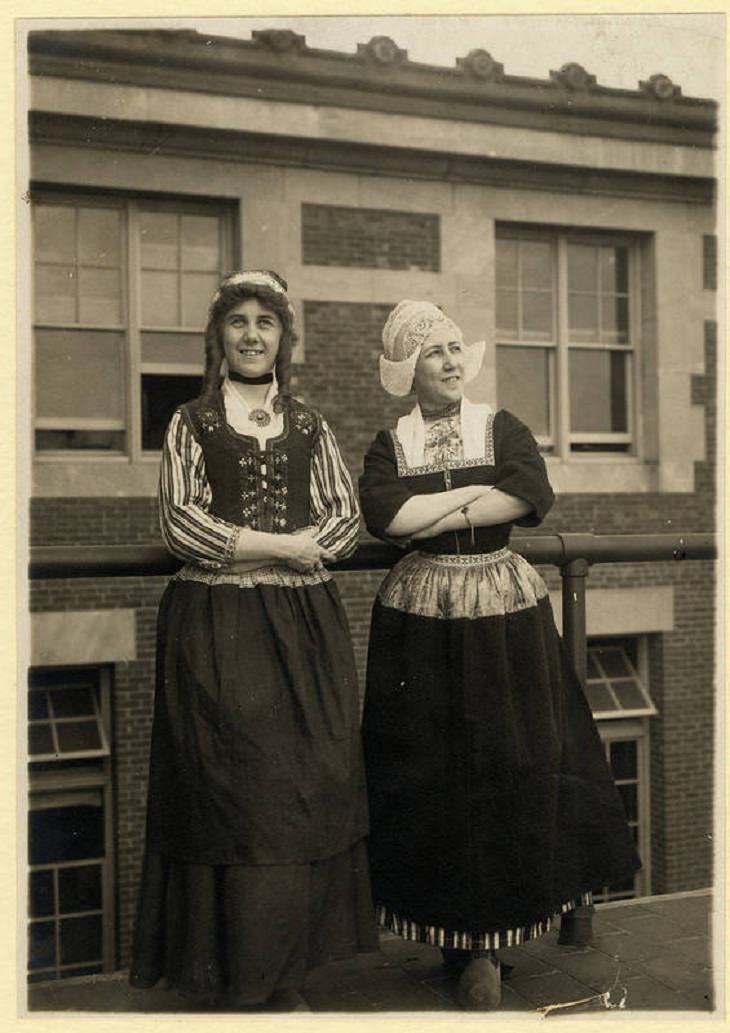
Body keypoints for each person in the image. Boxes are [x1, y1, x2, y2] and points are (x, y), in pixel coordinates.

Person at [358, 300, 641, 1011]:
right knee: (431, 763)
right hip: (421, 612)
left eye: (457, 348)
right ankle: (455, 939)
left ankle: (494, 939)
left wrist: (441, 507)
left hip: (501, 604)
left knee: (510, 755)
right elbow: (387, 516)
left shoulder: (500, 426)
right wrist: (477, 495)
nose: (452, 362)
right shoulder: (390, 442)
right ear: (408, 371)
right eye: (434, 353)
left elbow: (530, 491)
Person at [129, 270, 376, 1011]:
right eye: (237, 322)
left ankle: (285, 972)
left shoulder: (310, 425)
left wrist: (303, 548)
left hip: (302, 626)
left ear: (282, 338)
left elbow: (343, 520)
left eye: (264, 323)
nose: (250, 334)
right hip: (218, 624)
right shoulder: (191, 422)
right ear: (218, 336)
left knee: (303, 784)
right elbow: (181, 523)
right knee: (233, 789)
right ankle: (232, 972)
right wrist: (279, 546)